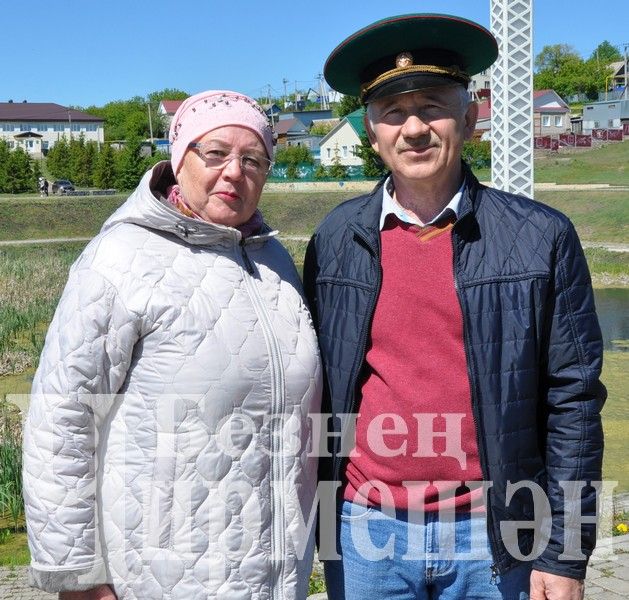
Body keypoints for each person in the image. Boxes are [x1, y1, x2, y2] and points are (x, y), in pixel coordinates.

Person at [303, 14, 606, 600]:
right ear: (371, 132)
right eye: (392, 112)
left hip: (495, 535)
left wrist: (565, 553)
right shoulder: (336, 240)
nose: (413, 128)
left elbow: (574, 400)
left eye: (434, 106)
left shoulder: (541, 238)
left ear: (469, 118)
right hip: (368, 532)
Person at [23, 90, 322, 600]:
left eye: (253, 159)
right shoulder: (119, 259)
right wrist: (77, 578)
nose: (234, 172)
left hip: (275, 572)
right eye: (215, 153)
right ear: (178, 156)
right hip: (162, 575)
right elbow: (62, 421)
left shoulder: (274, 263)